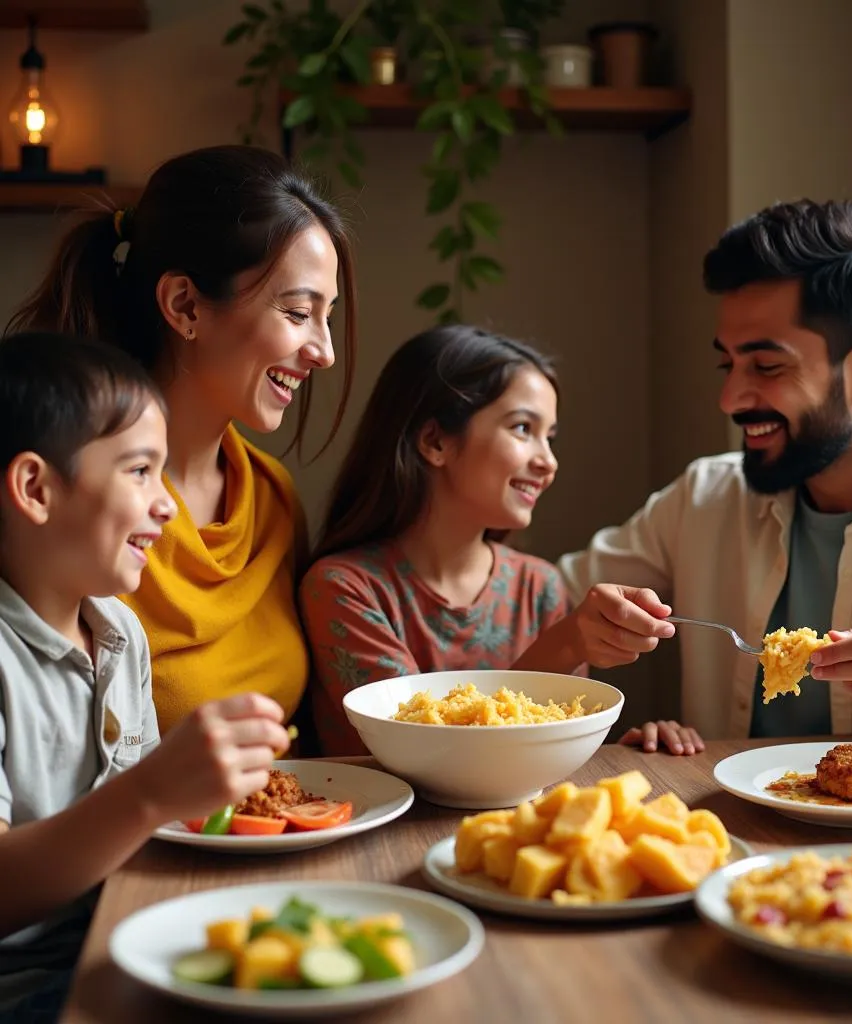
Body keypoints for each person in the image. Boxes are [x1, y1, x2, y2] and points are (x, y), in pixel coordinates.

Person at [559, 199, 852, 796]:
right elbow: (545, 606)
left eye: (767, 366)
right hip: (719, 837)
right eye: (727, 364)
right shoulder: (703, 498)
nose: (730, 399)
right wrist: (587, 625)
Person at [6, 145, 357, 737]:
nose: (323, 350)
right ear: (185, 304)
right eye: (299, 313)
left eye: (329, 317)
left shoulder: (272, 499)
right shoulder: (79, 502)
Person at [0, 333, 290, 1021]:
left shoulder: (119, 631)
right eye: (139, 472)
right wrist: (152, 792)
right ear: (36, 488)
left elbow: (155, 826)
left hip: (124, 936)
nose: (167, 504)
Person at [299, 325, 653, 755]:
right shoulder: (343, 589)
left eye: (550, 437)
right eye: (523, 428)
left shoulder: (540, 587)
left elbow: (555, 749)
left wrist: (644, 742)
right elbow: (421, 742)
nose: (548, 462)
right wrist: (562, 646)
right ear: (435, 441)